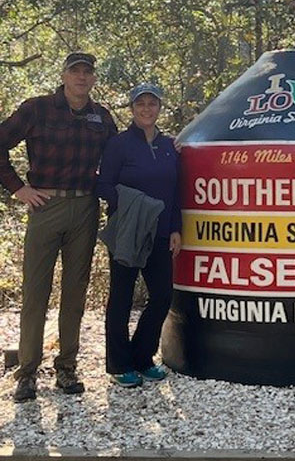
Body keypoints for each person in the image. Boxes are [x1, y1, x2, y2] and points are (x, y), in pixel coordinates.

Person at [0, 52, 117, 402]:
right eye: (75, 71)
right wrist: (18, 188)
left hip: (84, 206)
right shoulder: (37, 109)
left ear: (94, 79)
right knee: (36, 291)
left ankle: (66, 367)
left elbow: (121, 154)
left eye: (87, 72)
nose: (81, 77)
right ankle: (28, 373)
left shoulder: (101, 116)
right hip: (45, 206)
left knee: (75, 292)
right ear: (64, 75)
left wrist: (165, 144)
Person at [96, 83, 181, 388]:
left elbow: (176, 191)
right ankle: (119, 365)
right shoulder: (119, 144)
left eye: (152, 104)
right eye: (141, 104)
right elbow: (103, 184)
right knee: (121, 297)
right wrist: (133, 205)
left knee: (162, 296)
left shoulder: (170, 146)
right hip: (129, 231)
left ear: (160, 108)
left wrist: (175, 229)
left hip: (160, 234)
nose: (147, 109)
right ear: (132, 108)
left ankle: (143, 358)